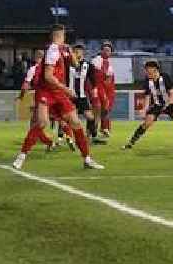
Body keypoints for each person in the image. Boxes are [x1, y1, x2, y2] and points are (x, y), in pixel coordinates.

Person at [13, 24, 104, 170]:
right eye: (63, 36)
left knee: (75, 122)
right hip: (46, 91)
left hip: (58, 92)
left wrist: (71, 52)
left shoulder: (63, 49)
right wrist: (66, 89)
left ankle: (87, 159)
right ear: (60, 36)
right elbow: (48, 76)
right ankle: (21, 156)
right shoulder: (53, 51)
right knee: (42, 123)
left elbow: (75, 64)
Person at [123, 60, 173, 149]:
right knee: (147, 123)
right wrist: (144, 109)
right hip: (156, 106)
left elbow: (172, 93)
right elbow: (147, 97)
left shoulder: (165, 77)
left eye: (148, 69)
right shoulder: (147, 82)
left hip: (169, 103)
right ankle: (131, 143)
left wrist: (168, 104)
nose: (146, 71)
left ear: (155, 69)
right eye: (146, 69)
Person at [69, 44, 101, 143]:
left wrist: (94, 92)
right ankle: (64, 138)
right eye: (75, 51)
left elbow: (93, 80)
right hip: (69, 96)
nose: (77, 53)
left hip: (81, 97)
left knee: (90, 117)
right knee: (67, 118)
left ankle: (88, 137)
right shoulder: (67, 64)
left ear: (83, 52)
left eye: (79, 51)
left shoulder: (88, 65)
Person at [91, 41, 116, 138]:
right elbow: (97, 77)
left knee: (105, 109)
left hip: (107, 89)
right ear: (101, 50)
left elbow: (108, 78)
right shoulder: (97, 60)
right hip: (99, 88)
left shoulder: (108, 62)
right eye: (105, 50)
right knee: (99, 109)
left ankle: (103, 128)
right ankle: (96, 130)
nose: (107, 52)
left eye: (109, 50)